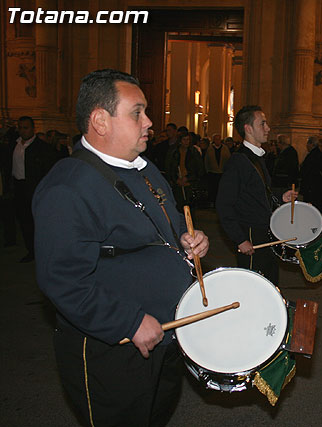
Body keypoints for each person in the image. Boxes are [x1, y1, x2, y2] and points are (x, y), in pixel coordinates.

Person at [33, 69, 209, 426]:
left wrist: (188, 239)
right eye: (137, 112)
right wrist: (126, 322)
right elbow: (62, 280)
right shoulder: (68, 187)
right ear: (100, 120)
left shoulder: (145, 170)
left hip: (166, 334)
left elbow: (168, 227)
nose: (149, 121)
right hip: (115, 347)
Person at [216, 105, 296, 286]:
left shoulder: (255, 157)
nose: (267, 128)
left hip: (264, 233)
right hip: (251, 237)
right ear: (248, 128)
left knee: (269, 284)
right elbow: (223, 205)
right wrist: (240, 239)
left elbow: (258, 189)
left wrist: (280, 195)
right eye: (263, 124)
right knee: (254, 287)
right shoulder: (238, 161)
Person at [10, 116, 57, 262]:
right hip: (19, 187)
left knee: (38, 223)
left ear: (33, 128)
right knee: (24, 221)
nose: (23, 131)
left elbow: (49, 170)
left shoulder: (42, 148)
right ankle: (31, 251)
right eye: (20, 127)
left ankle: (45, 251)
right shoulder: (14, 145)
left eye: (26, 127)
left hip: (36, 189)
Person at [300, 136, 322, 214]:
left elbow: (307, 171)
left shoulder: (313, 155)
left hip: (312, 187)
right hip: (317, 187)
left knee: (311, 209)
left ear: (311, 144)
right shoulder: (320, 154)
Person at [204, 133, 231, 207]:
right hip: (213, 172)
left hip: (222, 172)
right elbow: (207, 160)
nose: (217, 141)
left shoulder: (225, 149)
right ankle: (212, 202)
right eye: (216, 139)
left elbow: (228, 159)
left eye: (219, 139)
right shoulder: (210, 149)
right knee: (213, 189)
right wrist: (207, 170)